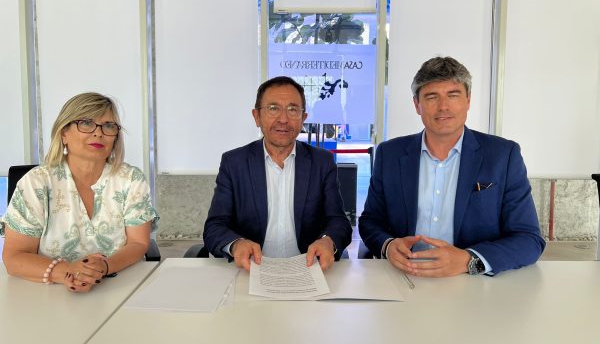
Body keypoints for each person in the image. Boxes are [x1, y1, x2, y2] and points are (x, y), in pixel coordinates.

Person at [359, 56, 545, 277]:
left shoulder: (503, 156)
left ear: (468, 100)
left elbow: (529, 239)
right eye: (431, 97)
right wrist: (388, 245)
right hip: (405, 276)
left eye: (453, 95)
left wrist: (469, 260)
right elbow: (370, 221)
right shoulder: (390, 154)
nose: (443, 107)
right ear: (417, 105)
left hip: (473, 282)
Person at [2, 92, 158, 292]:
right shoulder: (36, 183)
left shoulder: (131, 179)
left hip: (120, 287)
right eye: (86, 123)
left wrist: (103, 267)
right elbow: (15, 257)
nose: (98, 133)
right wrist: (70, 273)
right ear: (64, 133)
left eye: (108, 126)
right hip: (48, 292)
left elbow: (138, 242)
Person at [203, 76, 352, 271]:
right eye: (273, 108)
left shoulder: (321, 162)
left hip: (307, 269)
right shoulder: (234, 163)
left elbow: (338, 221)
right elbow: (215, 226)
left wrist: (328, 241)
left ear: (303, 118)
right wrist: (236, 244)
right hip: (250, 270)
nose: (283, 119)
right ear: (257, 116)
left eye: (293, 110)